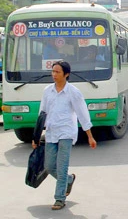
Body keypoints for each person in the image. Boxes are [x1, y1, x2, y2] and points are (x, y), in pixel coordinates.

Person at [32, 60, 97, 211]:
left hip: (67, 132)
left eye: (57, 72)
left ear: (66, 74)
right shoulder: (47, 91)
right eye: (53, 71)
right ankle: (69, 179)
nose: (54, 75)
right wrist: (36, 137)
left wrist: (90, 135)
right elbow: (42, 114)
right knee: (48, 166)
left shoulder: (73, 92)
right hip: (51, 132)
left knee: (62, 166)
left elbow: (82, 113)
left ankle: (59, 198)